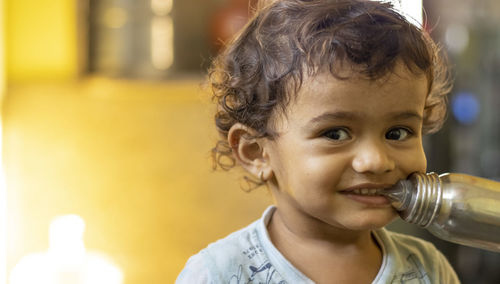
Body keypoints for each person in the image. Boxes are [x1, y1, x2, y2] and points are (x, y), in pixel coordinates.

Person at [177, 0, 460, 283]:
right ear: (256, 152)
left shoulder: (429, 270)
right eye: (335, 134)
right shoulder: (219, 274)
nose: (376, 160)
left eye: (396, 133)